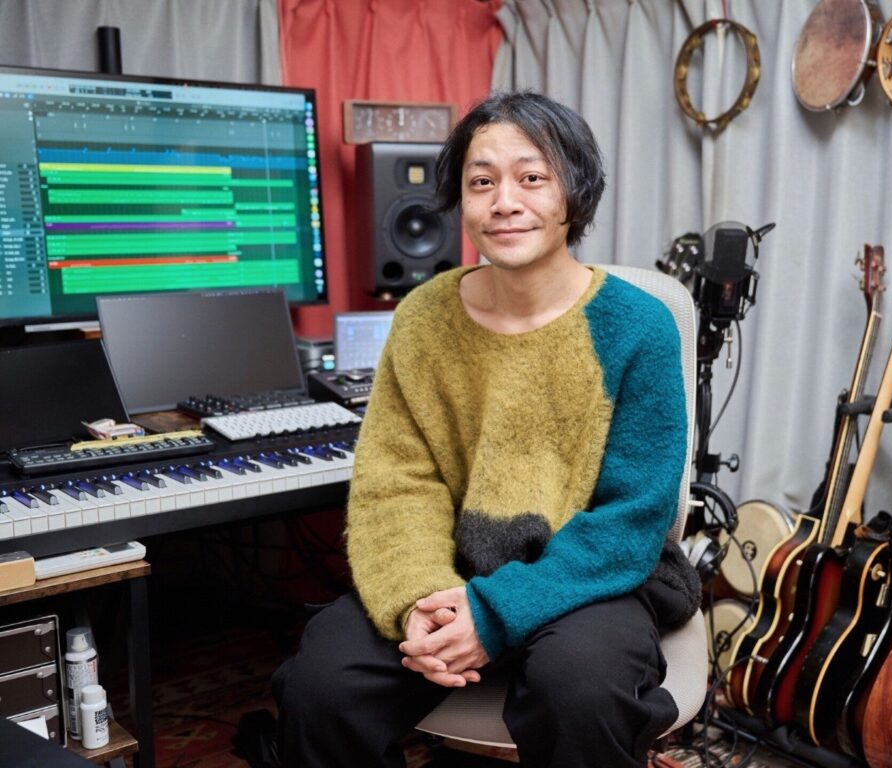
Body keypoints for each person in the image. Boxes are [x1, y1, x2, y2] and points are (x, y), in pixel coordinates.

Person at [273, 91, 700, 768]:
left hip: (590, 575)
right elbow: (398, 483)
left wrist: (494, 613)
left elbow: (633, 515)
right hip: (451, 567)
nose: (504, 202)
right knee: (322, 686)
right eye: (481, 182)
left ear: (575, 193)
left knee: (579, 689)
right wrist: (418, 602)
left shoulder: (638, 325)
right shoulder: (423, 318)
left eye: (532, 178)